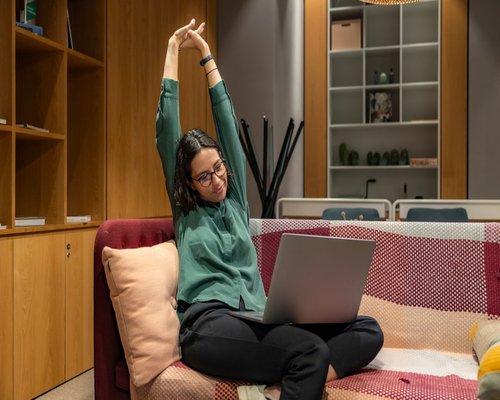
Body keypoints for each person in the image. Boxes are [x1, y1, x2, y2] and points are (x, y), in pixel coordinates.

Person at [156, 19, 384, 400]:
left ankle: (300, 374)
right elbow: (167, 130)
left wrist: (208, 57)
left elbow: (228, 124)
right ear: (188, 184)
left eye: (218, 168)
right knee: (309, 351)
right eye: (204, 177)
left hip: (258, 318)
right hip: (208, 324)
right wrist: (173, 51)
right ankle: (304, 369)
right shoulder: (187, 212)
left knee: (368, 329)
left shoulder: (236, 201)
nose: (217, 180)